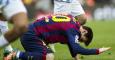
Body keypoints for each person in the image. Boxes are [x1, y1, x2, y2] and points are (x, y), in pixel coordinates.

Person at [5, 15, 110, 60]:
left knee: (44, 56)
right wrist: (98, 51)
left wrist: (75, 57)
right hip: (31, 35)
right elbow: (77, 47)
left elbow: (71, 43)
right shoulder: (73, 30)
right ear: (84, 31)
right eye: (81, 39)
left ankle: (17, 56)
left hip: (31, 32)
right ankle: (16, 54)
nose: (78, 40)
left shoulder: (72, 21)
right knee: (49, 57)